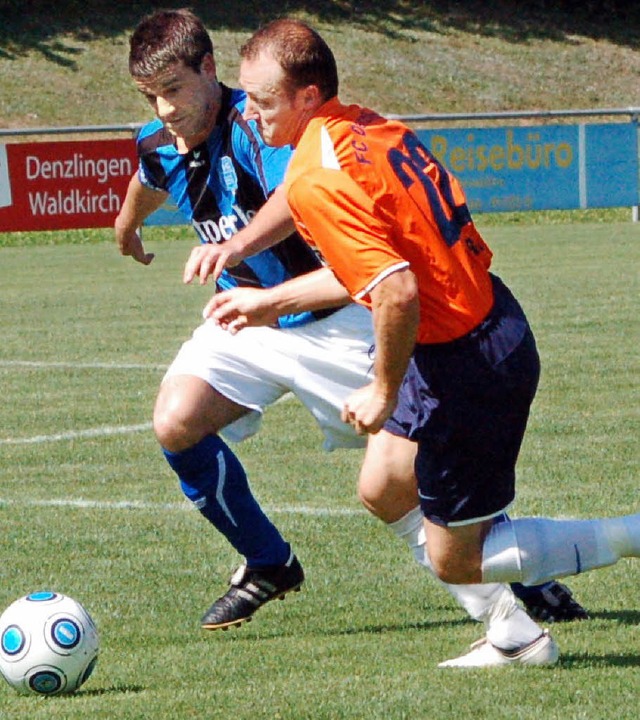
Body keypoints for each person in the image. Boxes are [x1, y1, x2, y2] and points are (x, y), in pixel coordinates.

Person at [115, 9, 585, 660]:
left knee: (407, 475)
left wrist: (244, 247)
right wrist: (126, 227)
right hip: (245, 315)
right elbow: (149, 174)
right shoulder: (159, 137)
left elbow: (306, 202)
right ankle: (268, 562)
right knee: (176, 421)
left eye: (173, 90)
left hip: (333, 313)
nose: (164, 109)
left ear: (210, 69)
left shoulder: (264, 127)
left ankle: (519, 581)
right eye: (150, 97)